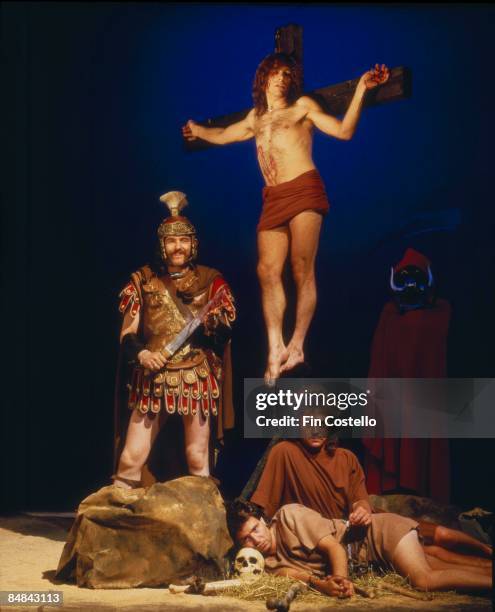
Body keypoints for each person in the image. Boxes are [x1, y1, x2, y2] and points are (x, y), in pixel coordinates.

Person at [183, 54, 389, 385]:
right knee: (266, 270)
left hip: (304, 188)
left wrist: (362, 88)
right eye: (276, 73)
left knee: (300, 266)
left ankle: (297, 345)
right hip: (274, 197)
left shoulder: (302, 107)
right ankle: (275, 345)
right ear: (263, 78)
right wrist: (197, 131)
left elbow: (344, 131)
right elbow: (223, 134)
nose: (282, 78)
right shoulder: (255, 118)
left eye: (287, 74)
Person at [113, 191, 236, 489]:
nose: (177, 247)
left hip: (195, 375)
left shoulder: (211, 281)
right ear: (162, 244)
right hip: (152, 375)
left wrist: (214, 323)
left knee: (197, 458)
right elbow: (127, 333)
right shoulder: (142, 280)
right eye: (171, 240)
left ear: (193, 244)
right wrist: (143, 356)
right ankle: (114, 519)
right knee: (131, 459)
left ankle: (204, 527)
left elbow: (225, 330)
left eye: (183, 240)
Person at [249, 436, 492, 566]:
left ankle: (488, 551)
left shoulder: (346, 457)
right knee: (430, 553)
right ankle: (485, 569)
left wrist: (362, 510)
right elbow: (263, 508)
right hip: (336, 537)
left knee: (441, 535)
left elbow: (360, 500)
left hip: (366, 525)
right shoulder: (285, 453)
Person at [226, 499, 493, 597]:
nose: (255, 540)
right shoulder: (265, 565)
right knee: (442, 569)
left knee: (424, 579)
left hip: (376, 536)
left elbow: (335, 549)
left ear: (261, 520)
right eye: (246, 540)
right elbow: (300, 577)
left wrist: (340, 579)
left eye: (254, 529)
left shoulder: (288, 516)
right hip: (374, 562)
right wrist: (324, 586)